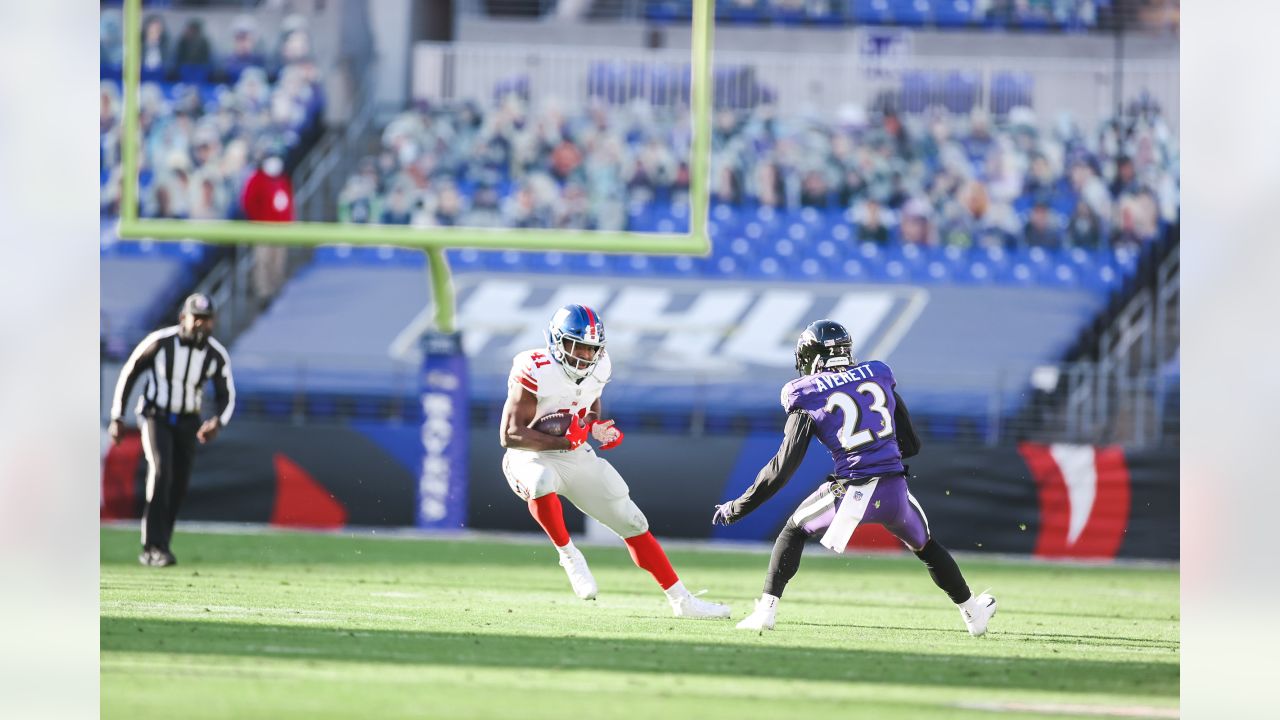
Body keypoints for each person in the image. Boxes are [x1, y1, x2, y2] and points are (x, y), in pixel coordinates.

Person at [711, 319, 997, 635]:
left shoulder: (806, 394)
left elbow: (783, 468)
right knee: (926, 547)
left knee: (793, 530)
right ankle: (972, 612)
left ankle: (765, 612)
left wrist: (738, 507)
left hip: (855, 490)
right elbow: (911, 444)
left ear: (814, 357)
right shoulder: (878, 374)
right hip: (896, 492)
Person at [500, 305, 731, 619]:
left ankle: (682, 601)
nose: (583, 355)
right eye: (576, 345)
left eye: (590, 348)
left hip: (571, 453)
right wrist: (567, 440)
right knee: (541, 481)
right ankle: (568, 555)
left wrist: (595, 425)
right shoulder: (535, 367)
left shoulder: (600, 367)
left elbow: (590, 399)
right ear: (556, 342)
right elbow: (510, 434)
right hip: (528, 456)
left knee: (632, 521)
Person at [108, 294, 236, 567]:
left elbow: (227, 395)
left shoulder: (215, 354)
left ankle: (162, 544)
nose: (201, 325)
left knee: (178, 484)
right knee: (161, 470)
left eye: (207, 320)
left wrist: (218, 422)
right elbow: (129, 373)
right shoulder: (160, 343)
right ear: (183, 319)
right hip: (157, 415)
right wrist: (117, 416)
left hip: (188, 421)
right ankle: (151, 546)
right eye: (196, 318)